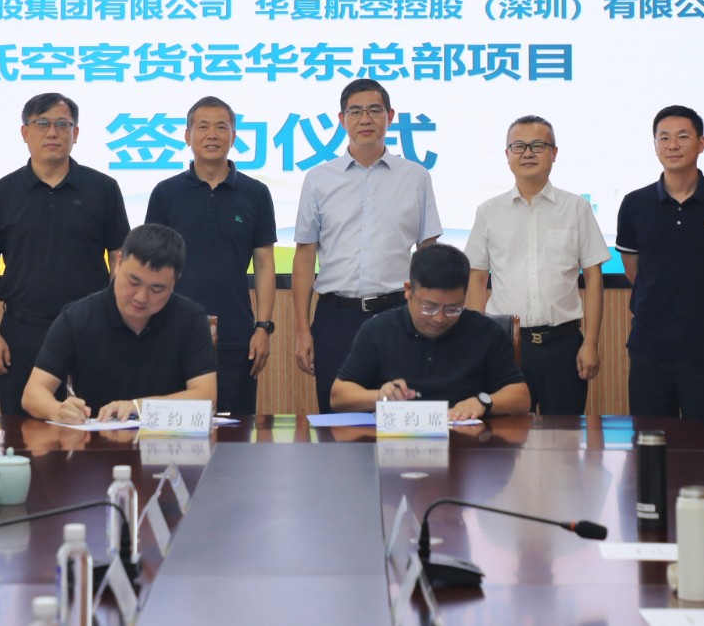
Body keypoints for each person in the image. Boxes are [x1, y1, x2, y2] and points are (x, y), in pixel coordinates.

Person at [0, 93, 129, 416]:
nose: (52, 133)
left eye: (62, 124)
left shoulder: (103, 189)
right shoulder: (1, 193)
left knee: (95, 426)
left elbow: (120, 256)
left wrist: (114, 318)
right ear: (25, 132)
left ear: (76, 133)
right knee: (22, 431)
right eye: (42, 124)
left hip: (91, 328)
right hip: (23, 331)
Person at [291, 78, 442, 413]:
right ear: (341, 119)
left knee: (400, 417)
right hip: (335, 317)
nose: (365, 119)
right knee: (336, 419)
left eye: (374, 110)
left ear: (390, 116)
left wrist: (428, 316)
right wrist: (302, 329)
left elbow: (429, 252)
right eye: (355, 111)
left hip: (397, 315)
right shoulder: (318, 179)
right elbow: (304, 257)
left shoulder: (416, 177)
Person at [615, 105, 704, 443]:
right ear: (655, 145)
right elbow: (634, 270)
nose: (672, 145)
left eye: (683, 136)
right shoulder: (634, 204)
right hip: (649, 347)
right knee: (649, 445)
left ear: (701, 143)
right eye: (664, 138)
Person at [466, 115, 608, 416]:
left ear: (554, 153)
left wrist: (591, 343)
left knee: (565, 435)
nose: (528, 153)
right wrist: (477, 342)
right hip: (506, 345)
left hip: (564, 344)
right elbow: (476, 279)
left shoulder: (576, 208)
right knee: (506, 436)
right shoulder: (489, 211)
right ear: (507, 154)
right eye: (518, 146)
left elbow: (594, 278)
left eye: (538, 146)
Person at [144, 96, 276, 414]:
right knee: (173, 426)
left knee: (235, 428)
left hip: (236, 335)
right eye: (202, 127)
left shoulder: (256, 194)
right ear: (187, 136)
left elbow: (264, 264)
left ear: (234, 136)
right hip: (171, 332)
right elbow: (150, 264)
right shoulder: (165, 193)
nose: (212, 135)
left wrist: (263, 327)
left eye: (221, 127)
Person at [23, 223, 216, 422]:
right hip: (96, 436)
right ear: (118, 262)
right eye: (133, 282)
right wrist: (57, 410)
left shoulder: (190, 318)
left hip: (168, 438)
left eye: (156, 289)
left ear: (175, 281)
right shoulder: (77, 317)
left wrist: (137, 406)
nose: (141, 297)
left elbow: (207, 397)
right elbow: (33, 393)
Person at [330, 244, 530, 419]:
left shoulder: (486, 332)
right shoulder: (378, 330)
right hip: (396, 442)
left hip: (467, 442)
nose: (439, 318)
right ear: (408, 290)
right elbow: (338, 396)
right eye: (429, 307)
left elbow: (521, 397)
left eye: (453, 309)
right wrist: (380, 396)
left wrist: (483, 402)